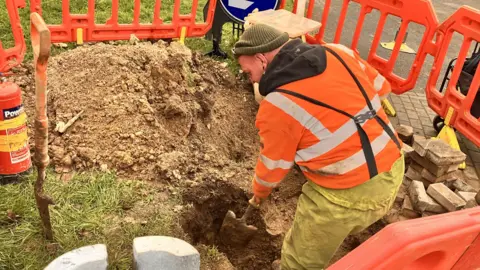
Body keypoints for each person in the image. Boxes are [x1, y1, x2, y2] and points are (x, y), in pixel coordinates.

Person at [233, 24, 405, 269]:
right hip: (394, 168)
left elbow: (274, 168)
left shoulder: (278, 105)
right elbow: (382, 89)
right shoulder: (338, 51)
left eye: (245, 68)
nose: (245, 75)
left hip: (346, 196)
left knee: (299, 261)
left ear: (261, 58)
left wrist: (259, 195)